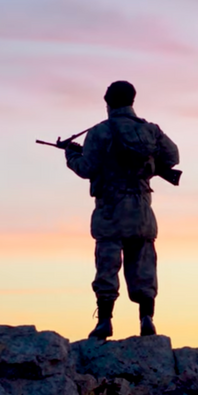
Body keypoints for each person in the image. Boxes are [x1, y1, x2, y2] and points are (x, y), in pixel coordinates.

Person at [58, 81, 179, 340]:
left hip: (110, 212)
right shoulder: (151, 130)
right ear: (132, 100)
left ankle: (104, 322)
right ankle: (147, 320)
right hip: (142, 212)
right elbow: (173, 156)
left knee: (107, 268)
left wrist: (70, 155)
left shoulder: (101, 132)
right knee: (144, 268)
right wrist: (148, 166)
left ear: (107, 101)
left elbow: (87, 169)